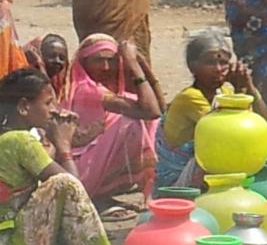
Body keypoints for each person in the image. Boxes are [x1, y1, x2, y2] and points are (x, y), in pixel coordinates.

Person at [0, 68, 110, 245]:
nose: (54, 110)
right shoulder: (21, 140)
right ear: (23, 107)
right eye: (48, 103)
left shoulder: (8, 137)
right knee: (64, 184)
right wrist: (63, 145)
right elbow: (76, 192)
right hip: (10, 238)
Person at [61, 34, 161, 220]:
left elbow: (158, 111)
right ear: (84, 62)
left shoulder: (105, 87)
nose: (106, 67)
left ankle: (102, 194)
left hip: (83, 164)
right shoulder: (88, 89)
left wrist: (142, 64)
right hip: (76, 171)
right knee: (128, 123)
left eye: (112, 60)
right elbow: (151, 110)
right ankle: (97, 196)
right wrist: (133, 64)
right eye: (98, 60)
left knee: (139, 118)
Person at [155, 32, 267, 189]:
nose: (218, 69)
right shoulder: (190, 97)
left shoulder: (224, 93)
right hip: (177, 177)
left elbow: (263, 124)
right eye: (210, 63)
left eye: (224, 63)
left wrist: (248, 86)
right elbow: (225, 135)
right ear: (192, 66)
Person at [24, 34, 70, 100]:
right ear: (39, 55)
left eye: (62, 58)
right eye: (52, 56)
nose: (57, 61)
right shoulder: (28, 82)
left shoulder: (61, 86)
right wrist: (40, 66)